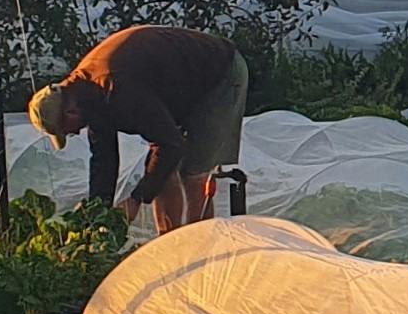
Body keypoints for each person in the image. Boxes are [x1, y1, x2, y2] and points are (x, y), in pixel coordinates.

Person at [25, 24, 248, 235]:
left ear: (70, 113)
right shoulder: (86, 95)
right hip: (180, 87)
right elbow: (104, 159)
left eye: (67, 130)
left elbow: (170, 145)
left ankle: (199, 248)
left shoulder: (115, 87)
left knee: (193, 173)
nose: (73, 134)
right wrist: (95, 212)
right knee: (160, 171)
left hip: (219, 73)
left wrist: (135, 200)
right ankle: (168, 243)